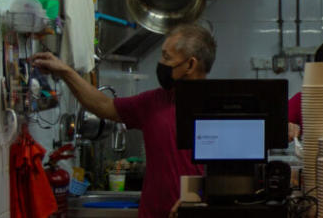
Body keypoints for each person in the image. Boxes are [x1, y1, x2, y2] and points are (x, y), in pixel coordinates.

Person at [32, 23, 216, 218]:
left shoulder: (218, 107)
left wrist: (199, 195)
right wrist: (65, 71)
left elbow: (238, 177)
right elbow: (103, 105)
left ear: (190, 65)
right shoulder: (154, 101)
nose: (161, 63)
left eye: (167, 57)